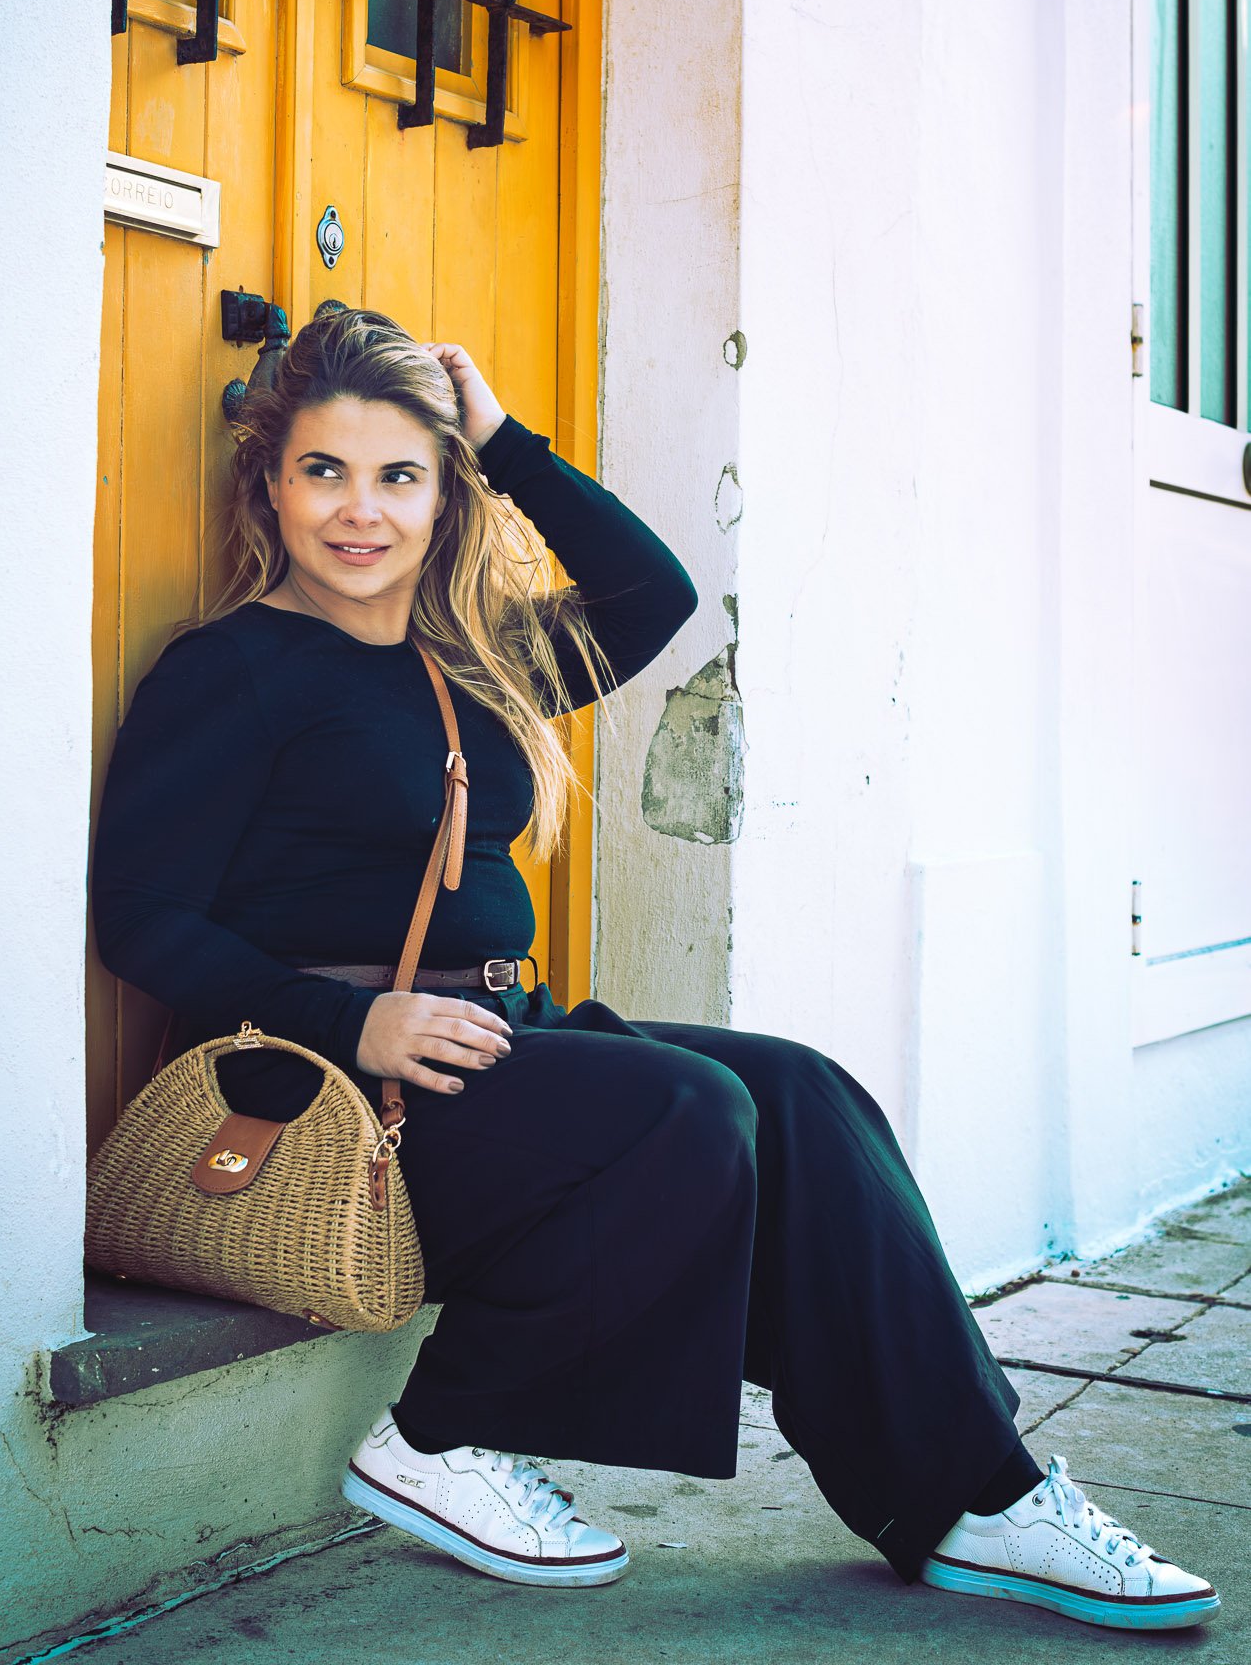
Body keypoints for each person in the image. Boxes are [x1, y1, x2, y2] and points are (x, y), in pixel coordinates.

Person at [90, 306, 1219, 1633]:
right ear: (267, 485)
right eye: (322, 471)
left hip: (486, 1049)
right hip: (322, 1087)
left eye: (400, 474)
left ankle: (976, 1496)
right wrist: (352, 1023)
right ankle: (447, 1436)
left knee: (803, 1094)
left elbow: (650, 597)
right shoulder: (227, 671)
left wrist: (503, 437)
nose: (359, 513)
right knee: (687, 1110)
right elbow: (142, 918)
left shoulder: (463, 657)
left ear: (446, 491)